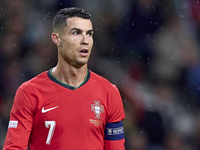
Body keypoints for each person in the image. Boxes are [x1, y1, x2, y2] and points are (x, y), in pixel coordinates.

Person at [3, 7, 125, 150]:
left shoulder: (109, 92)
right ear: (57, 39)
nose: (85, 40)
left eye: (89, 34)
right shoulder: (29, 92)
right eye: (76, 33)